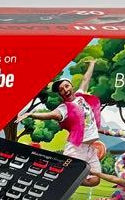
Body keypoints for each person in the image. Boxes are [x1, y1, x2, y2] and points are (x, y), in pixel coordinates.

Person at [21, 57, 104, 185]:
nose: (65, 90)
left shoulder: (80, 96)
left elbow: (86, 79)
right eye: (61, 89)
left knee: (95, 180)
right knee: (66, 176)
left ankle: (60, 176)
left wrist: (92, 64)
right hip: (76, 149)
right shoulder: (64, 108)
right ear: (60, 94)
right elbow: (50, 115)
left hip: (90, 149)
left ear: (71, 86)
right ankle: (50, 174)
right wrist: (31, 114)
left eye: (66, 86)